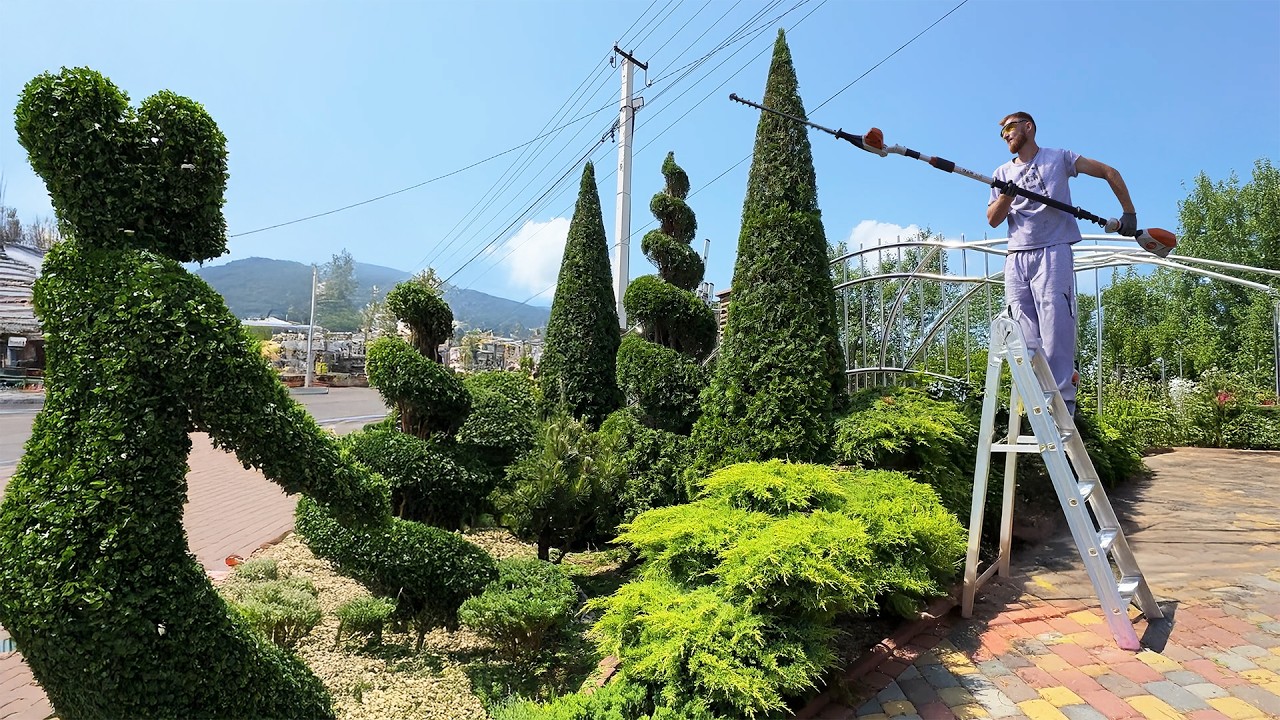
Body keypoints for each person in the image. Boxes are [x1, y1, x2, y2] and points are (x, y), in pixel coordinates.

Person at [987, 111, 1137, 416]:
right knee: (1022, 334)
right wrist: (1005, 197)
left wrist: (1128, 214)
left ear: (1028, 127)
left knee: (1056, 326)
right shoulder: (1001, 173)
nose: (1006, 134)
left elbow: (1109, 171)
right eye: (1001, 132)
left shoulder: (1059, 158)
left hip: (1053, 250)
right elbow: (992, 220)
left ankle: (1063, 402)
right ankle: (1033, 397)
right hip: (1016, 256)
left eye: (1010, 128)